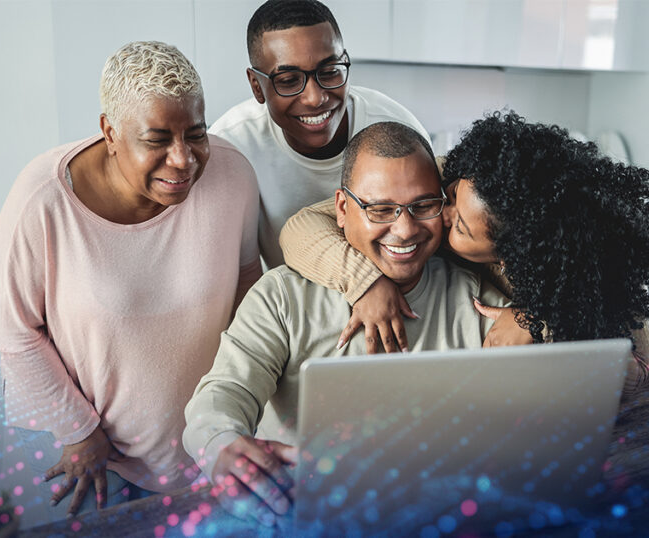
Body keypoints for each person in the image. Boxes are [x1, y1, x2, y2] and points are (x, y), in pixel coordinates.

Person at [182, 122, 508, 528]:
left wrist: (536, 322)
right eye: (380, 210)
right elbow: (224, 392)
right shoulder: (283, 297)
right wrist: (220, 443)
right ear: (341, 209)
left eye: (423, 206)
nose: (405, 230)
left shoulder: (473, 294)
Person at [0, 41, 261, 520]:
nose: (183, 159)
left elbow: (246, 286)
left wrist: (244, 407)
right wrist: (76, 430)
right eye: (157, 140)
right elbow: (14, 333)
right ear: (109, 132)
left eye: (196, 134)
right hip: (100, 463)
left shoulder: (232, 173)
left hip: (214, 448)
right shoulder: (43, 200)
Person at [279, 111, 649, 393]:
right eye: (447, 198)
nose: (437, 215)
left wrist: (537, 324)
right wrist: (366, 283)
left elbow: (634, 368)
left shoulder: (586, 271)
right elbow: (303, 226)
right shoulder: (469, 177)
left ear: (506, 254)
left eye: (459, 225)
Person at [209, 0, 430, 267]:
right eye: (289, 81)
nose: (315, 98)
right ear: (257, 86)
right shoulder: (230, 147)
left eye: (329, 72)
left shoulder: (398, 131)